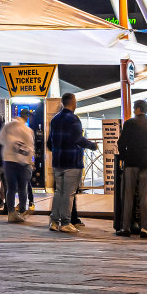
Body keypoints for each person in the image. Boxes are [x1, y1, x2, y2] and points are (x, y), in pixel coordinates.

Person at [46, 93, 98, 234]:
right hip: (72, 162)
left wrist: (57, 150)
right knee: (69, 194)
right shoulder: (74, 119)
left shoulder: (55, 120)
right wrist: (92, 145)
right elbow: (78, 139)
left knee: (58, 192)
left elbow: (49, 143)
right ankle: (66, 222)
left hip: (57, 161)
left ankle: (54, 221)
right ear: (72, 102)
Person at [117, 99, 147, 238]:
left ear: (137, 109)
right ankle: (145, 229)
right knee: (145, 197)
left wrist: (125, 156)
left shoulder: (129, 123)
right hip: (146, 164)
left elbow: (121, 143)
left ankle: (125, 228)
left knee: (128, 196)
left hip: (131, 163)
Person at [0, 108, 35, 223]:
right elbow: (30, 148)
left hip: (8, 161)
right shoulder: (27, 130)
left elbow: (0, 139)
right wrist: (31, 162)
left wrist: (12, 146)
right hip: (23, 163)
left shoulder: (8, 126)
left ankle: (11, 213)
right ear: (27, 116)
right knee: (22, 188)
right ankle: (21, 212)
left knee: (11, 188)